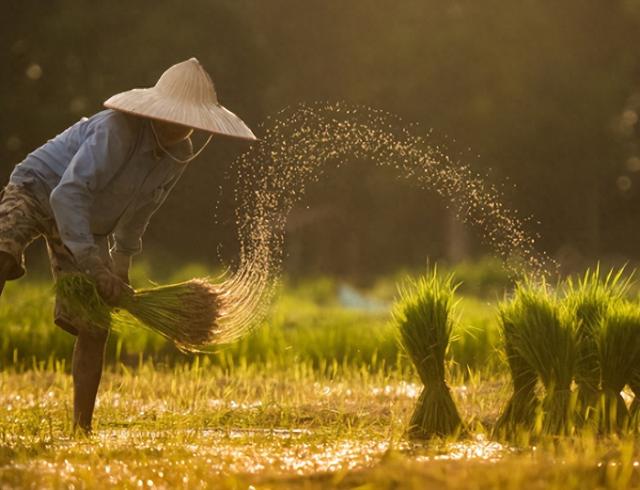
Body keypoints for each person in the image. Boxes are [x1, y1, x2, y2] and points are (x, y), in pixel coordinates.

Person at [0, 58, 256, 432]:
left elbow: (142, 210)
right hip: (38, 187)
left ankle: (81, 429)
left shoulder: (179, 152)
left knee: (95, 326)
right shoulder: (116, 131)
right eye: (176, 116)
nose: (180, 126)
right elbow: (67, 195)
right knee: (2, 256)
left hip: (90, 223)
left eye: (189, 120)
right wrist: (93, 265)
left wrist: (119, 268)